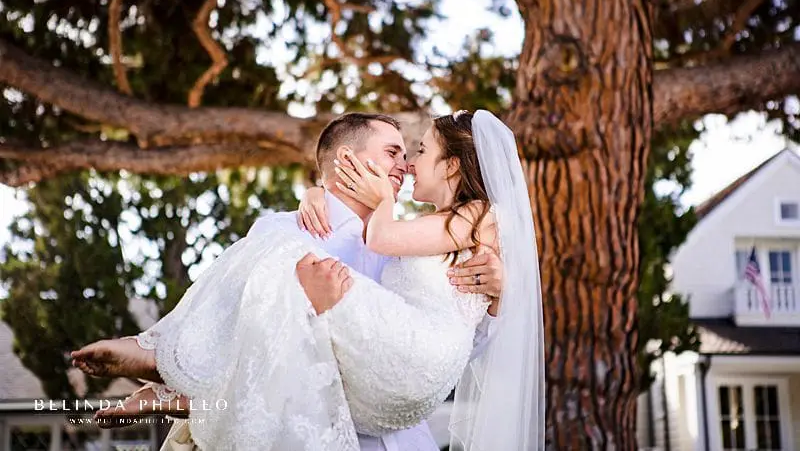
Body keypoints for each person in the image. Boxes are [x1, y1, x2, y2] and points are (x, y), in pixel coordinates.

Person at [71, 110, 544, 450]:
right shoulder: (281, 230)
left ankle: (170, 376)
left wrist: (502, 295)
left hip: (395, 430)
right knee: (288, 258)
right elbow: (236, 334)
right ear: (346, 160)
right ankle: (170, 375)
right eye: (394, 152)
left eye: (414, 153)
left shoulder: (417, 239)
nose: (405, 165)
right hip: (300, 426)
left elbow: (463, 341)